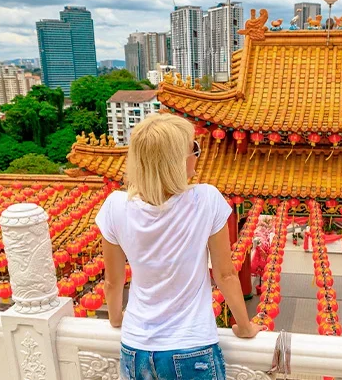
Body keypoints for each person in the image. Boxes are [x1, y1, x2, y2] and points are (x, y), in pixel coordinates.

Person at [96, 113, 261, 380]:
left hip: (135, 347)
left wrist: (116, 319)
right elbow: (226, 274)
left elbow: (113, 281)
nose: (198, 154)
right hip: (190, 347)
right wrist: (244, 326)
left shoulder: (115, 206)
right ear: (176, 161)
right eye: (193, 149)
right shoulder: (205, 199)